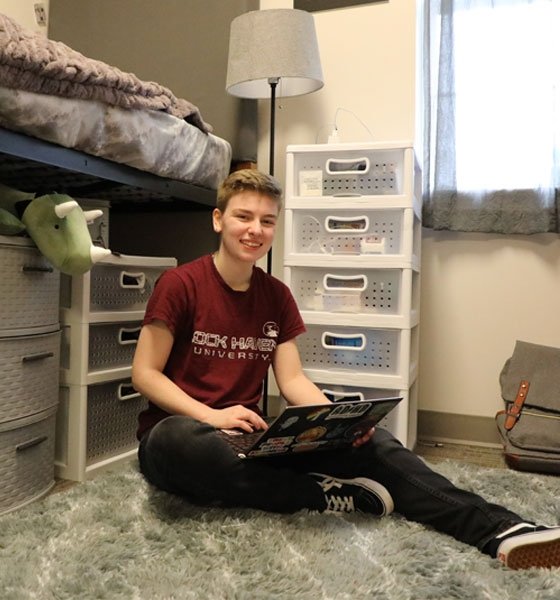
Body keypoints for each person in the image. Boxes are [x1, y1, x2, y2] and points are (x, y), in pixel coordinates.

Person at [132, 169, 560, 571]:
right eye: (243, 216)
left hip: (251, 438)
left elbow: (294, 379)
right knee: (178, 441)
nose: (255, 230)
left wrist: (336, 425)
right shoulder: (181, 284)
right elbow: (145, 374)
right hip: (184, 434)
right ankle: (325, 494)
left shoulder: (277, 296)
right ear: (218, 220)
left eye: (267, 221)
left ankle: (500, 531)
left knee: (377, 444)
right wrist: (212, 416)